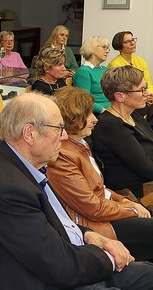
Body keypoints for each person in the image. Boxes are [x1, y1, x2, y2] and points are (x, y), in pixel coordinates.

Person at [0, 92, 153, 289]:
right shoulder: (5, 187)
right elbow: (59, 267)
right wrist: (109, 257)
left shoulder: (25, 165)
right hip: (43, 280)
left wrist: (89, 235)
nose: (64, 136)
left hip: (65, 262)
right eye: (59, 128)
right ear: (30, 134)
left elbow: (52, 226)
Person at [48, 86, 153, 261]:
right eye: (88, 115)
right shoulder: (62, 156)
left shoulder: (80, 143)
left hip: (106, 213)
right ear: (72, 118)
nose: (95, 119)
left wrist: (125, 201)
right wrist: (131, 209)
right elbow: (92, 207)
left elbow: (101, 188)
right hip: (97, 225)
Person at [91, 66, 153, 199]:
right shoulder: (110, 125)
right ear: (120, 96)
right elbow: (147, 169)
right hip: (135, 193)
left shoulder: (134, 116)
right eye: (142, 90)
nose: (147, 93)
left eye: (145, 87)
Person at [108, 31, 153, 121]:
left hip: (143, 97)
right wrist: (144, 96)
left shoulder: (140, 60)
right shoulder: (115, 64)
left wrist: (150, 95)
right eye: (127, 41)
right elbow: (124, 89)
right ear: (120, 46)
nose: (132, 43)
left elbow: (148, 84)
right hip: (129, 101)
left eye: (133, 40)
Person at [73, 36, 111, 114]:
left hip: (111, 110)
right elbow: (84, 100)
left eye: (108, 48)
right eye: (104, 47)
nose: (107, 51)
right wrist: (105, 111)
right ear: (92, 49)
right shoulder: (83, 71)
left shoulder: (105, 69)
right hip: (96, 113)